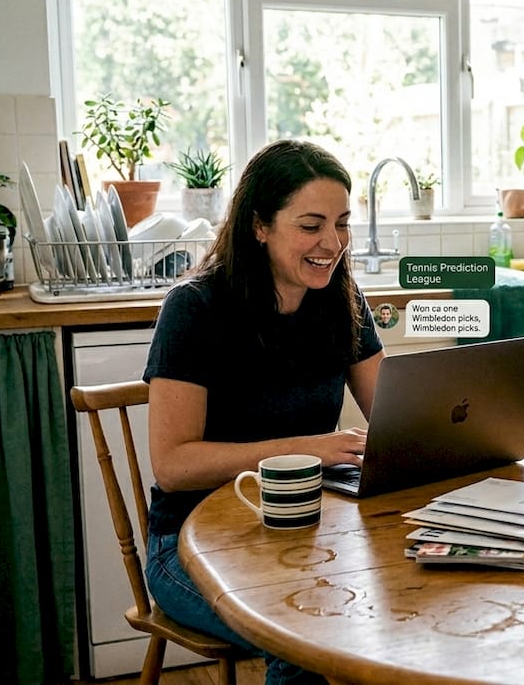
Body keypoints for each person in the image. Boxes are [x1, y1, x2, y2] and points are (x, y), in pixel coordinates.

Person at [142, 139, 384, 685]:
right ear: (259, 226)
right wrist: (308, 449)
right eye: (311, 225)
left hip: (304, 531)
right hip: (189, 546)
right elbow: (173, 466)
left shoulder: (340, 298)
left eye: (342, 224)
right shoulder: (196, 308)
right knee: (303, 632)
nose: (332, 243)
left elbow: (395, 415)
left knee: (394, 599)